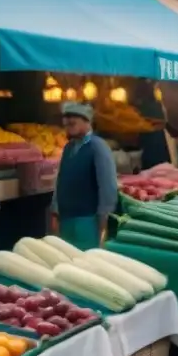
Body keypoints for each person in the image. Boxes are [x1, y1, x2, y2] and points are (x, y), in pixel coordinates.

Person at [50, 102, 118, 251]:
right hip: (66, 220)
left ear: (87, 121)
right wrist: (55, 211)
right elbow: (60, 180)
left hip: (88, 221)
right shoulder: (68, 148)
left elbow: (108, 187)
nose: (68, 124)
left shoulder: (98, 146)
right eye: (66, 121)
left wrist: (104, 220)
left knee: (86, 263)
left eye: (73, 120)